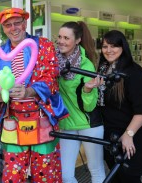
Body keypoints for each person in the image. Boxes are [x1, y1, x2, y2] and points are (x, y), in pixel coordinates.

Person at [0, 7, 68, 183]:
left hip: (42, 119)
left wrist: (29, 91)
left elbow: (52, 79)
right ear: (3, 28)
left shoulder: (44, 45)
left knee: (45, 174)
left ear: (25, 24)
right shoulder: (0, 53)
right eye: (8, 25)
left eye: (17, 23)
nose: (13, 28)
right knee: (13, 176)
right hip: (13, 121)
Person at [97, 30, 142, 183]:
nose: (109, 50)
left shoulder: (133, 72)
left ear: (123, 47)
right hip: (112, 135)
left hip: (135, 136)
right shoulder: (103, 70)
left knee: (129, 178)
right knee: (117, 177)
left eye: (113, 46)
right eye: (105, 46)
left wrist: (128, 135)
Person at [56, 21, 106, 183]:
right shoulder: (53, 62)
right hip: (67, 124)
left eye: (66, 38)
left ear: (77, 40)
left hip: (89, 124)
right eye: (59, 36)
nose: (61, 41)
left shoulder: (86, 65)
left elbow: (90, 106)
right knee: (64, 175)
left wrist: (88, 90)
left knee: (96, 169)